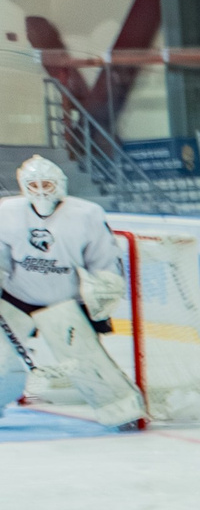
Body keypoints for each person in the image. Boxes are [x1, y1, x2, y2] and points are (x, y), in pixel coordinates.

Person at [0, 154, 143, 428]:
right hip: (17, 298)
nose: (41, 190)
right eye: (34, 184)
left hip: (65, 302)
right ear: (23, 186)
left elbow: (105, 260)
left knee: (85, 362)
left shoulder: (85, 215)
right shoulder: (7, 211)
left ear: (60, 184)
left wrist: (104, 288)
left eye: (47, 183)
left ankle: (122, 412)